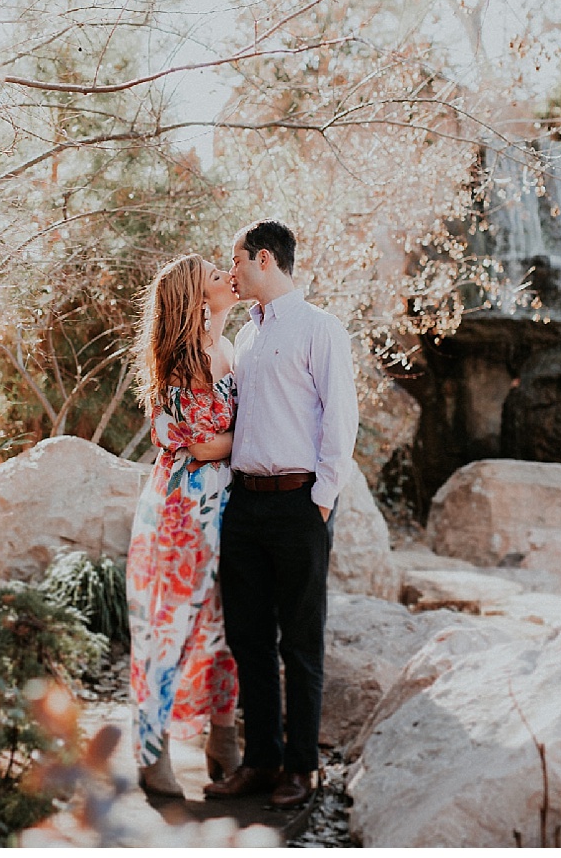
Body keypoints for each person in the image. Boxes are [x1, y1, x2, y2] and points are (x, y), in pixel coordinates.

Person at [204, 219, 359, 810]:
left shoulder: (321, 329)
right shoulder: (246, 336)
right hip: (245, 505)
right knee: (248, 639)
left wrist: (320, 501)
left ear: (263, 259)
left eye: (236, 260)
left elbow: (339, 421)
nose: (232, 271)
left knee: (300, 642)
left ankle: (301, 768)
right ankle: (262, 762)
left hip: (300, 505)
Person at [125, 253, 244, 797]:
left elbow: (219, 442)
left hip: (226, 507)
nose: (227, 277)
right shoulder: (182, 363)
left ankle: (222, 738)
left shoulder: (223, 349)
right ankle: (152, 753)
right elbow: (201, 445)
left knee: (225, 627)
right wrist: (254, 440)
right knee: (169, 629)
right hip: (183, 514)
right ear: (199, 299)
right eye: (214, 277)